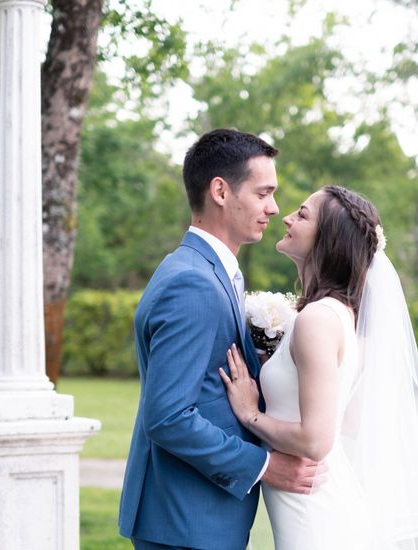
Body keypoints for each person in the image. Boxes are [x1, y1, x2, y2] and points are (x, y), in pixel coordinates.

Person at [220, 185, 418, 549]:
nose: (286, 217)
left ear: (329, 239)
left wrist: (251, 415)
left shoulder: (318, 319)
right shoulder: (335, 315)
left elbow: (315, 440)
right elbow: (349, 420)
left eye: (302, 214)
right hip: (317, 503)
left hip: (316, 517)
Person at [118, 129, 319, 550]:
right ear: (221, 191)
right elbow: (168, 416)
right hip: (185, 520)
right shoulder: (193, 283)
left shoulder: (212, 272)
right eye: (264, 193)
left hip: (197, 516)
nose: (274, 207)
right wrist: (264, 465)